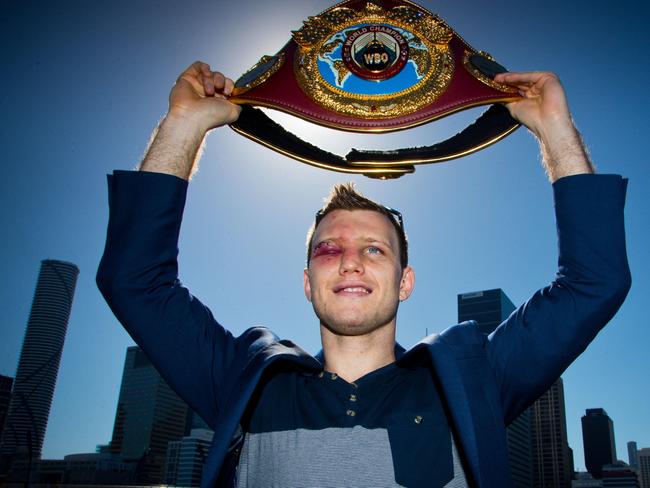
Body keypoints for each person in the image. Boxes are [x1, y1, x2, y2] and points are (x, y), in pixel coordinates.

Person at [97, 61, 631, 487]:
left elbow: (593, 282)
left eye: (375, 250)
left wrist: (553, 128)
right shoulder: (247, 384)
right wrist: (184, 126)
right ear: (307, 282)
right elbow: (135, 280)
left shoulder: (472, 383)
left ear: (406, 282)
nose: (350, 259)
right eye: (328, 249)